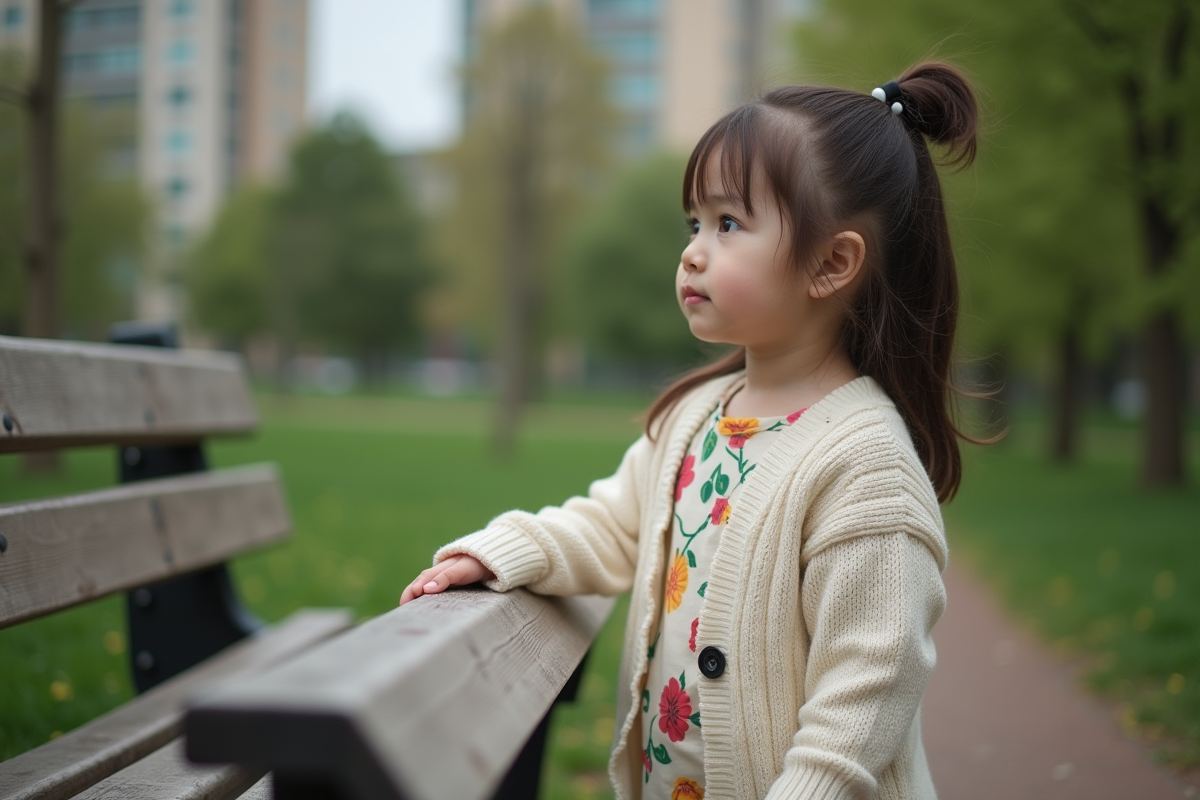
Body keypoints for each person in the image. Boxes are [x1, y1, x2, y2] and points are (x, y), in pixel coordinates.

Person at [402, 61, 982, 800]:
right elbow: (614, 527)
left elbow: (867, 692)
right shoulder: (695, 419)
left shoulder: (865, 466)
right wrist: (504, 554)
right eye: (695, 223)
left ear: (831, 263)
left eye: (730, 224)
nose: (693, 250)